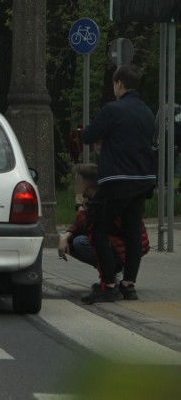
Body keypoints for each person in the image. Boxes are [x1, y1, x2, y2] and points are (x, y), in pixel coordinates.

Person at [79, 65, 157, 304]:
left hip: (117, 179)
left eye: (114, 84)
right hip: (143, 180)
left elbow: (88, 135)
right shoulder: (146, 112)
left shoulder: (113, 109)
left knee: (95, 225)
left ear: (119, 84)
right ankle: (128, 285)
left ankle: (108, 284)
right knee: (132, 230)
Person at [58, 163, 150, 286]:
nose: (75, 187)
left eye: (77, 184)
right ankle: (109, 273)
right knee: (68, 240)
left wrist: (79, 203)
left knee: (80, 242)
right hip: (119, 242)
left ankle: (112, 272)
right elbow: (82, 223)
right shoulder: (98, 196)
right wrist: (65, 237)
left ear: (84, 186)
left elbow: (87, 223)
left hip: (125, 246)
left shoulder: (105, 201)